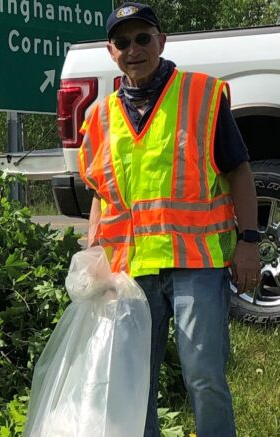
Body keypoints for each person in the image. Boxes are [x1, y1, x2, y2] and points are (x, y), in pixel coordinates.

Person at [78, 3, 260, 436]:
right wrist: (93, 251)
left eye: (143, 38)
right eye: (123, 42)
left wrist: (249, 241)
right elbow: (101, 196)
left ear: (162, 41)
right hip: (131, 270)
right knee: (134, 380)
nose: (134, 49)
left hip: (196, 262)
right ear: (111, 51)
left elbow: (239, 171)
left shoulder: (201, 95)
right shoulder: (100, 117)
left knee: (203, 374)